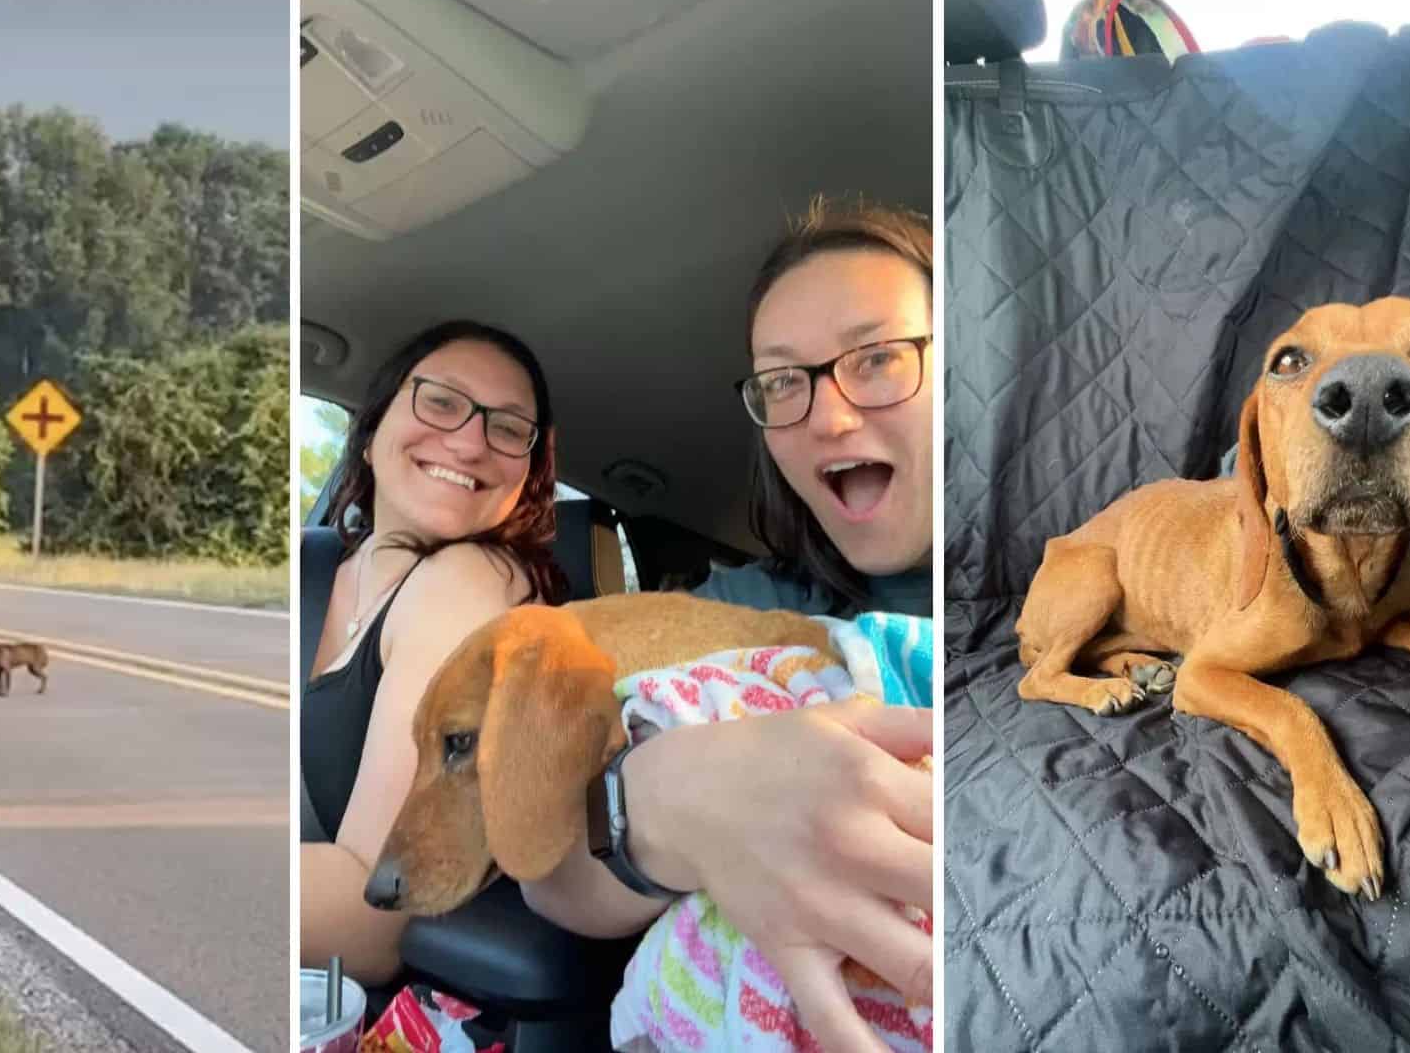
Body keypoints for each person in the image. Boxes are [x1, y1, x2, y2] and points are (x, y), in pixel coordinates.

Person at [520, 196, 936, 1052]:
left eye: (880, 357)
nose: (828, 414)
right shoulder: (733, 616)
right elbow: (548, 872)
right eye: (784, 380)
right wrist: (667, 798)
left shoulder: (1091, 573)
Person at [300, 320, 566, 985]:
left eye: (508, 427)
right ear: (369, 435)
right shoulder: (313, 565)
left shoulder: (473, 581)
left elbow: (374, 910)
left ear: (527, 476)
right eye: (441, 401)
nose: (471, 441)